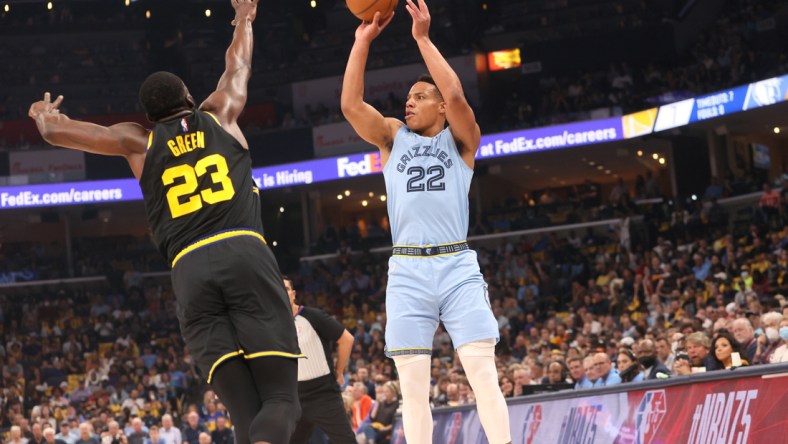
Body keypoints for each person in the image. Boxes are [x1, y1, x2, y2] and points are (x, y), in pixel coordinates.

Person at [27, 1, 302, 443]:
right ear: (190, 99)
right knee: (281, 401)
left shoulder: (137, 142)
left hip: (189, 269)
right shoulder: (220, 113)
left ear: (149, 115)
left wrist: (44, 116)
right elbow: (239, 64)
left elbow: (59, 133)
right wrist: (244, 19)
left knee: (242, 411)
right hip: (243, 250)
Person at [340, 1, 511, 442]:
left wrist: (421, 38)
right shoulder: (393, 137)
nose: (409, 103)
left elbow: (456, 95)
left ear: (438, 107)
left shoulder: (461, 141)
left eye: (420, 97)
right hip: (407, 271)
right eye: (408, 98)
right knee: (414, 391)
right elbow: (351, 104)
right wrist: (361, 44)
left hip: (456, 266)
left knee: (482, 374)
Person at [284, 276, 356, 444]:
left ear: (293, 294)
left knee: (346, 441)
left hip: (323, 393)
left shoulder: (312, 316)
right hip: (294, 397)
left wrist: (339, 371)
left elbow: (347, 339)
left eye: (286, 288)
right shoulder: (272, 324)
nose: (282, 292)